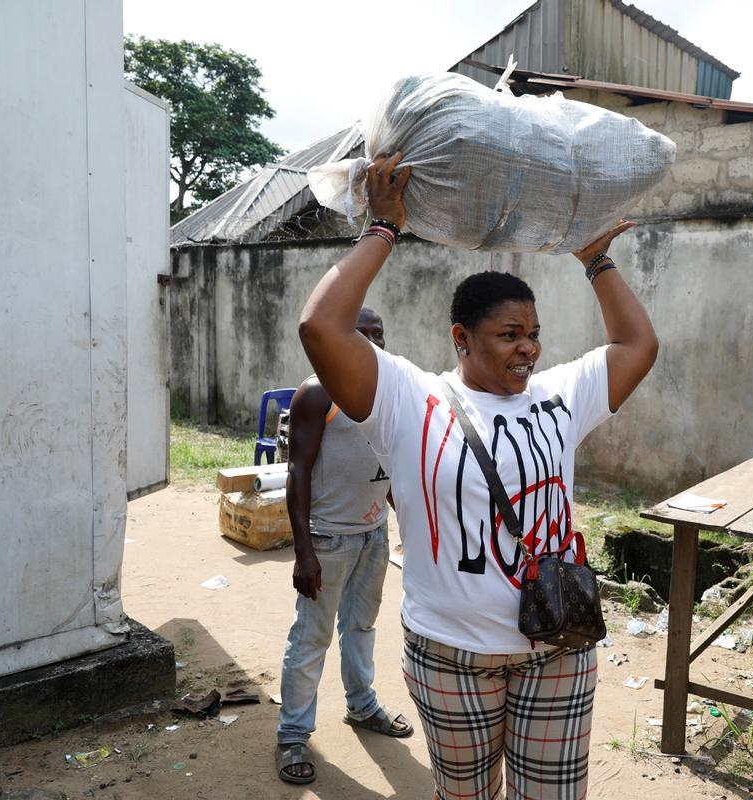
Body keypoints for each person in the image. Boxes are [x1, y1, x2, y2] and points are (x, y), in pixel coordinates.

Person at [298, 153, 658, 799]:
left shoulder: (559, 396)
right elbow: (321, 326)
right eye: (509, 333)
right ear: (462, 338)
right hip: (450, 656)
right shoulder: (410, 398)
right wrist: (383, 228)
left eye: (534, 334)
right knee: (464, 795)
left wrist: (596, 261)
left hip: (558, 644)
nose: (528, 347)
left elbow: (637, 346)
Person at [276, 307, 414, 786]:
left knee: (361, 626)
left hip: (373, 537)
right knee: (311, 637)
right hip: (328, 539)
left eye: (379, 333)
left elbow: (390, 469)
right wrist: (304, 551)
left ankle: (362, 705)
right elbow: (297, 474)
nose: (373, 342)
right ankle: (293, 734)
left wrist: (408, 526)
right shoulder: (318, 394)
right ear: (341, 339)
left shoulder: (388, 395)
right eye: (362, 333)